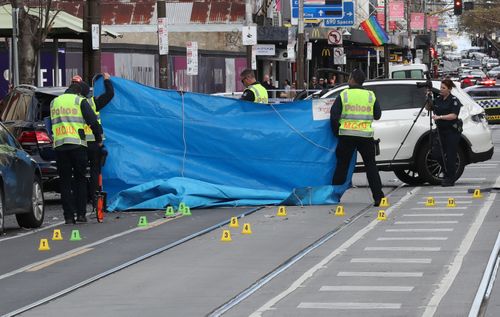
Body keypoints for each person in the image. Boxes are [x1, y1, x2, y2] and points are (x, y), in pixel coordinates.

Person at [330, 69, 385, 206]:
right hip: (365, 136)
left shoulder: (344, 95)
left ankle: (333, 196)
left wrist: (337, 133)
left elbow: (334, 116)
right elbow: (377, 115)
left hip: (347, 136)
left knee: (342, 166)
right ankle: (378, 197)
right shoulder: (370, 95)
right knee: (371, 166)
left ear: (352, 79)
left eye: (349, 78)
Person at [50, 81, 102, 224]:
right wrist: (98, 138)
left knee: (65, 182)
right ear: (79, 92)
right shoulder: (79, 100)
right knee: (80, 180)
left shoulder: (54, 102)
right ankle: (81, 215)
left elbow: (51, 124)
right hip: (78, 146)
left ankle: (68, 217)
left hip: (60, 146)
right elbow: (92, 121)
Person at [72, 73, 114, 204]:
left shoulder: (70, 104)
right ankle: (96, 201)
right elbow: (109, 94)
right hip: (94, 143)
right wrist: (107, 80)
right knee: (95, 171)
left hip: (79, 143)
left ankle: (81, 202)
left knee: (80, 174)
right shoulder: (92, 102)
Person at [426, 79, 463, 187]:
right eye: (441, 87)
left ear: (449, 89)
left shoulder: (454, 100)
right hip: (440, 131)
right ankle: (446, 171)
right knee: (436, 153)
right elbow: (429, 108)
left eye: (443, 88)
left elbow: (454, 116)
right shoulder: (438, 99)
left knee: (451, 156)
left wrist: (440, 117)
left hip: (452, 131)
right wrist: (428, 98)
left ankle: (450, 179)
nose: (441, 90)